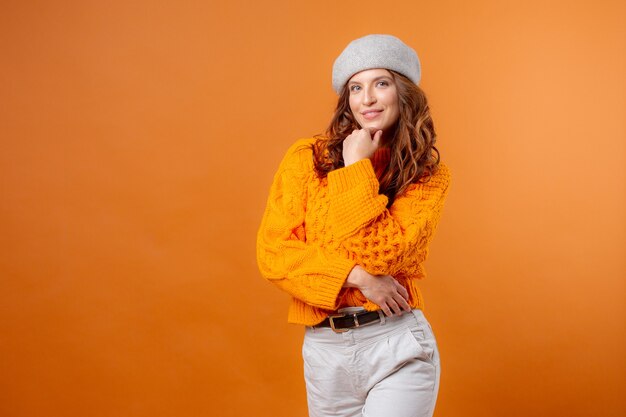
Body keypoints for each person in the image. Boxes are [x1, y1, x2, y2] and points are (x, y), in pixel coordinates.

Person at [256, 34, 451, 417]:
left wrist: (356, 167)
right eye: (355, 88)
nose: (367, 99)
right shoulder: (306, 159)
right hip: (325, 351)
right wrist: (358, 279)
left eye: (381, 83)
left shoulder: (428, 175)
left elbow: (384, 253)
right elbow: (274, 254)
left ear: (404, 92)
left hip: (396, 343)